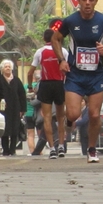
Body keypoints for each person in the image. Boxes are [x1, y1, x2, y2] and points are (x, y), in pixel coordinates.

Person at [52, 0, 103, 163]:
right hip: (75, 74)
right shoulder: (70, 21)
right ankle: (69, 121)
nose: (88, 3)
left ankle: (92, 149)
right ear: (79, 1)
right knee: (74, 114)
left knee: (94, 114)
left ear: (96, 1)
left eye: (91, 0)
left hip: (96, 74)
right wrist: (61, 60)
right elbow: (55, 38)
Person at [27, 29, 69, 159]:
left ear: (44, 39)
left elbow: (30, 72)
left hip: (45, 85)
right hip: (59, 84)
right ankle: (61, 146)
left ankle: (51, 149)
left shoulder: (40, 52)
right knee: (61, 117)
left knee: (47, 117)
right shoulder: (63, 51)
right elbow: (69, 69)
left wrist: (30, 86)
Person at [0, 59, 26, 157]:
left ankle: (12, 150)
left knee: (14, 129)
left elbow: (22, 95)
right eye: (6, 67)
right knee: (5, 129)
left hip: (15, 108)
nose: (8, 68)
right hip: (4, 108)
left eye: (9, 67)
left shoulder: (16, 80)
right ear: (2, 69)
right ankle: (5, 149)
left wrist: (22, 109)